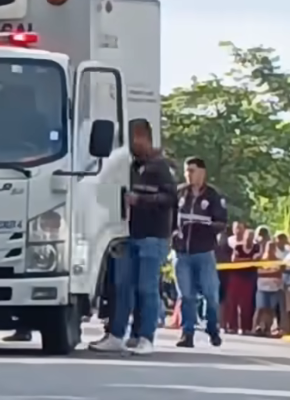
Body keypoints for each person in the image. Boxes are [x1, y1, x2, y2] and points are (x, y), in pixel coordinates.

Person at [90, 119, 176, 355]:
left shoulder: (159, 167)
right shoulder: (130, 167)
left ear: (145, 138)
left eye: (135, 137)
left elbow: (171, 199)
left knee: (146, 287)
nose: (132, 144)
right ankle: (117, 334)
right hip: (126, 233)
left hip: (152, 234)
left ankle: (145, 337)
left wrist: (141, 201)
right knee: (122, 286)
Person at [171, 157, 227, 348]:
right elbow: (169, 217)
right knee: (186, 295)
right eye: (187, 171)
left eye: (192, 170)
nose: (188, 174)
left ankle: (213, 328)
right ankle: (187, 333)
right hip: (181, 253)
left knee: (211, 294)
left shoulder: (213, 196)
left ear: (202, 172)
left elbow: (221, 222)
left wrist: (205, 227)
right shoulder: (178, 193)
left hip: (204, 252)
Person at [222, 229, 257, 334]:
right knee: (232, 302)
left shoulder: (256, 248)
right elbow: (234, 260)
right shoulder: (238, 247)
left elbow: (258, 260)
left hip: (249, 278)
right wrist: (249, 261)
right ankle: (232, 326)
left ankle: (245, 327)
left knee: (246, 304)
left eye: (251, 237)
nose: (249, 239)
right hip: (236, 277)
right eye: (247, 237)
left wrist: (245, 261)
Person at [253, 240, 283, 336]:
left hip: (274, 288)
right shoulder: (261, 260)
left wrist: (268, 273)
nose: (270, 249)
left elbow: (279, 273)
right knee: (260, 308)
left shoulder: (278, 260)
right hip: (262, 288)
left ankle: (267, 329)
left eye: (272, 247)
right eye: (269, 247)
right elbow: (259, 273)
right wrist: (271, 272)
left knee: (270, 309)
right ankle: (255, 327)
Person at [275, 232, 290, 334]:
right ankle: (286, 328)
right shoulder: (289, 254)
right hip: (285, 283)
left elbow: (289, 268)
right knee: (287, 307)